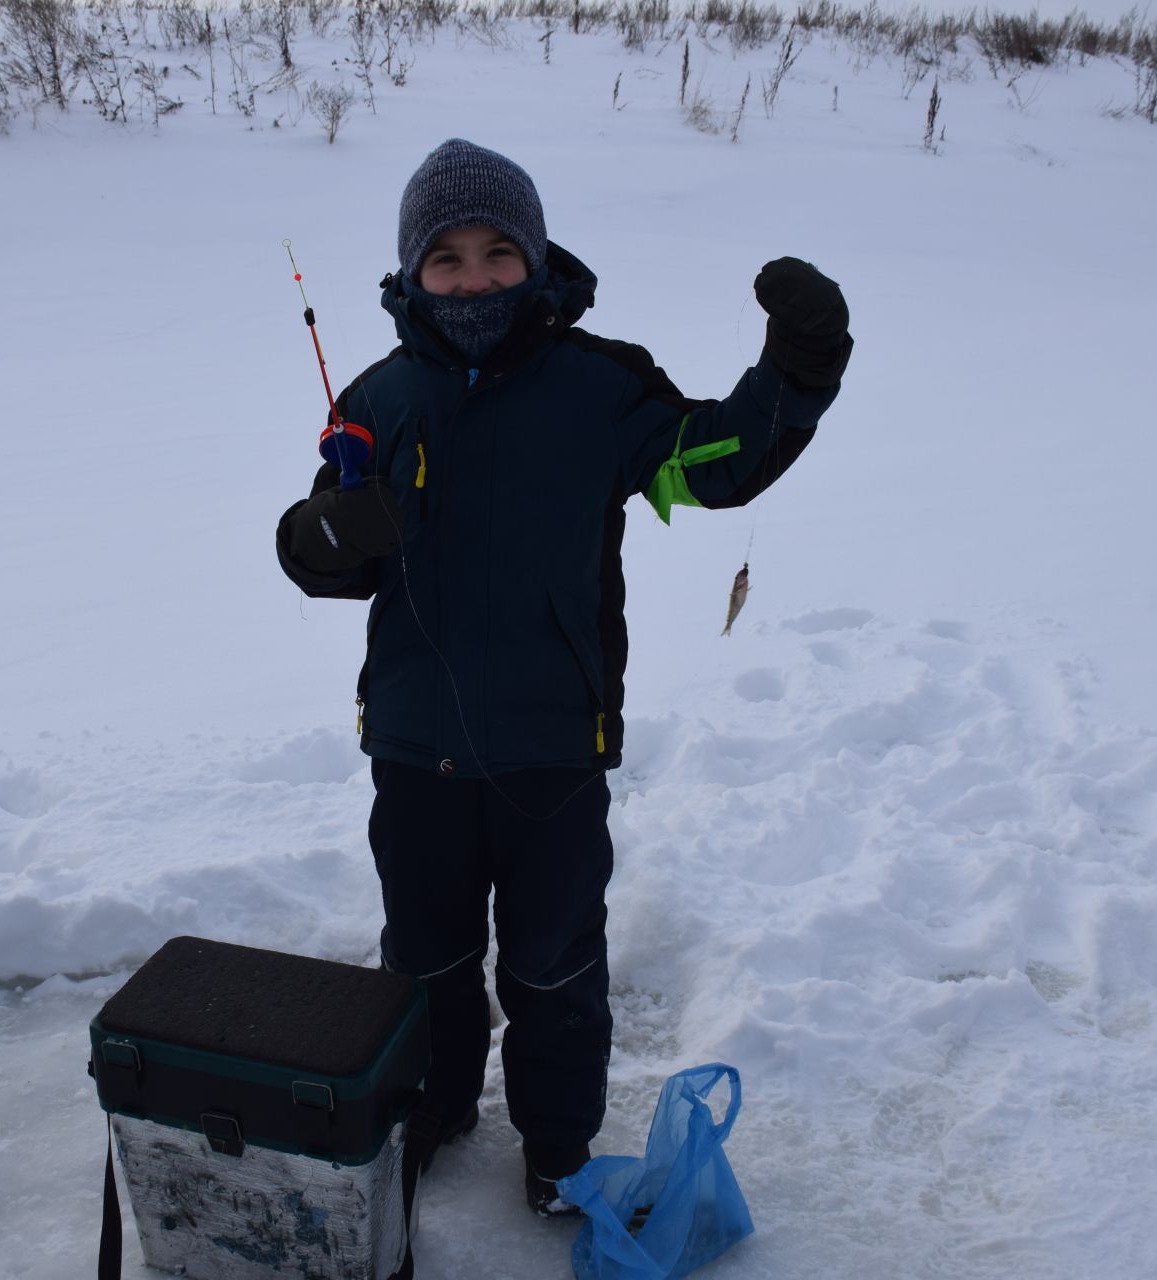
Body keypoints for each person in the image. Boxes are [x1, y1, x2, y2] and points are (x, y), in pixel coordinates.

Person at [274, 139, 851, 1214]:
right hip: (413, 744)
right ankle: (435, 1105)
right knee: (426, 958)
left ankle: (556, 1144)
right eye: (447, 258)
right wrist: (321, 529)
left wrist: (800, 369)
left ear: (535, 259)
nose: (476, 277)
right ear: (413, 272)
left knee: (553, 967)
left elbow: (714, 461)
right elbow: (329, 561)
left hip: (553, 747)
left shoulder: (600, 386)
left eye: (500, 252)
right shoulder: (378, 395)